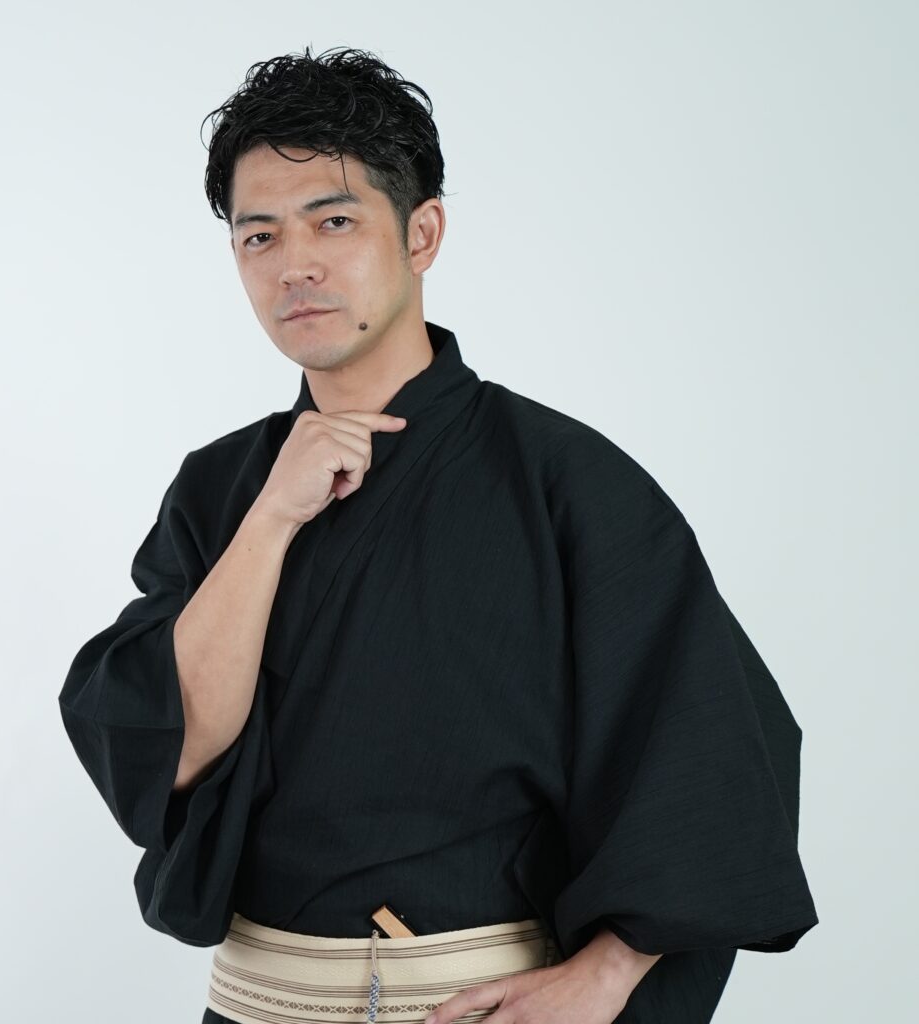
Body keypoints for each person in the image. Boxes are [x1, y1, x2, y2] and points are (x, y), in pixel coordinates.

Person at [58, 45, 819, 1024]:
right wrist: (273, 516)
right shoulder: (219, 490)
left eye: (334, 220)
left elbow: (717, 744)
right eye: (259, 236)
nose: (295, 264)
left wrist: (607, 975)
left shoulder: (563, 481)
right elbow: (171, 747)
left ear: (422, 234)